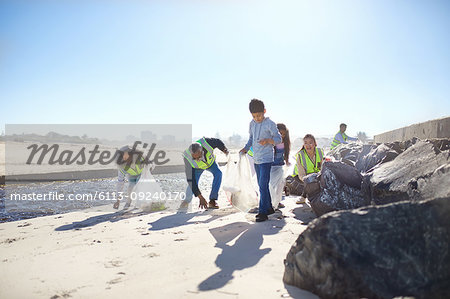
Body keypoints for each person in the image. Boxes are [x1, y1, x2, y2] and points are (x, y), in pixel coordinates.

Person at [240, 99, 282, 222]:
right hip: (256, 159)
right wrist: (246, 148)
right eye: (254, 116)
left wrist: (268, 140)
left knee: (263, 185)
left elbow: (278, 138)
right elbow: (251, 139)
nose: (257, 118)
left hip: (267, 158)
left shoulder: (270, 123)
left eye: (259, 115)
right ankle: (269, 208)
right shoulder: (252, 124)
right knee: (261, 185)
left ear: (264, 111)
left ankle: (262, 212)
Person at [181, 137, 229, 210]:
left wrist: (224, 149)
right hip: (198, 168)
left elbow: (218, 142)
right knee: (193, 181)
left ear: (202, 151)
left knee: (218, 174)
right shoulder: (187, 158)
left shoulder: (207, 143)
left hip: (211, 163)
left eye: (198, 157)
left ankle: (212, 200)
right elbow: (191, 180)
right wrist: (201, 197)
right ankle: (186, 201)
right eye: (194, 158)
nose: (197, 159)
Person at [289, 134, 324, 204]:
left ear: (315, 144)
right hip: (299, 176)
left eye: (310, 143)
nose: (308, 145)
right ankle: (303, 197)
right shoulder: (300, 155)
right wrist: (310, 179)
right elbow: (302, 175)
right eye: (305, 143)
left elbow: (322, 167)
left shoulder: (320, 152)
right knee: (309, 181)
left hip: (314, 173)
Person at [113, 145, 151, 209]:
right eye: (123, 156)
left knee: (140, 186)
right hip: (132, 176)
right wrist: (118, 201)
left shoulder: (140, 158)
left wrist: (148, 170)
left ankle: (140, 203)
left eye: (127, 155)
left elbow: (150, 165)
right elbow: (120, 183)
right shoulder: (122, 167)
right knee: (130, 187)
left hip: (142, 174)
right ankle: (128, 202)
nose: (125, 158)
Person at [273, 123, 291, 208]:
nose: (282, 136)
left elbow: (285, 154)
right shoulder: (272, 142)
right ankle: (271, 202)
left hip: (280, 166)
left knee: (280, 185)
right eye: (280, 134)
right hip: (271, 167)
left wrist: (287, 162)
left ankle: (277, 202)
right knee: (272, 185)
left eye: (283, 134)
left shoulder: (285, 143)